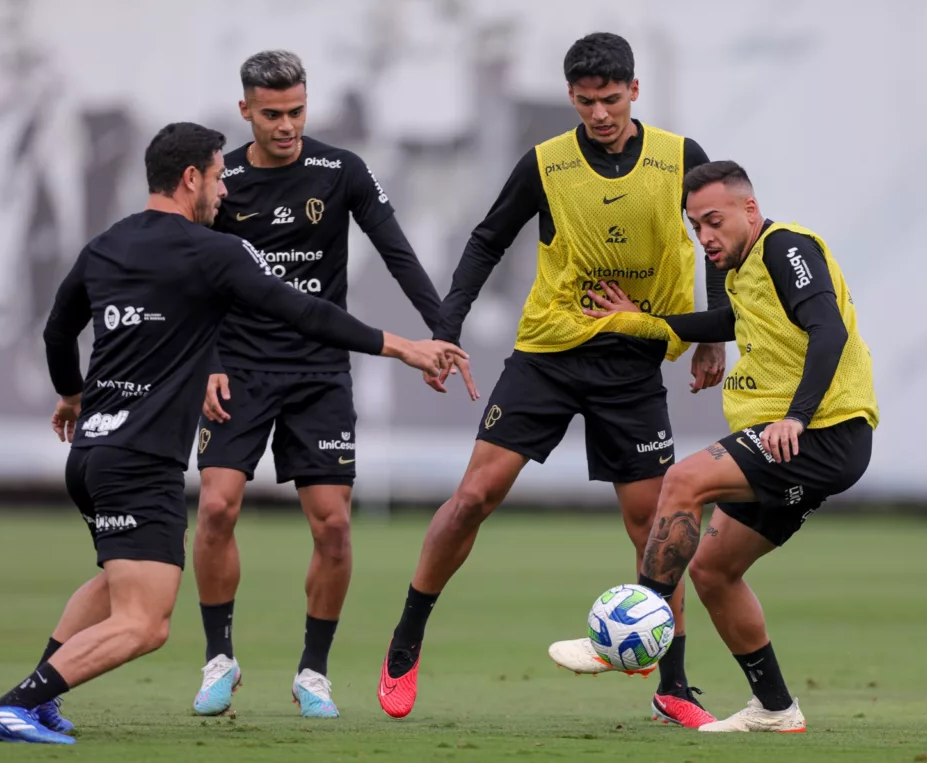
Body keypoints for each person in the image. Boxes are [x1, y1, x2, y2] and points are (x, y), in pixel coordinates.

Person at [0, 121, 463, 745]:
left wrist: (71, 394)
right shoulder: (213, 252)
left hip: (91, 454)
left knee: (115, 582)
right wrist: (401, 347)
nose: (226, 191)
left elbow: (55, 333)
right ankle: (16, 703)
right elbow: (303, 312)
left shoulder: (106, 245)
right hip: (140, 461)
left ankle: (35, 703)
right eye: (218, 178)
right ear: (191, 178)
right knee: (146, 623)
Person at [377, 32, 727, 727]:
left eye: (611, 98)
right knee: (474, 495)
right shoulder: (545, 162)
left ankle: (675, 684)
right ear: (571, 96)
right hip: (549, 353)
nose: (600, 113)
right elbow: (485, 240)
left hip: (632, 359)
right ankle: (406, 636)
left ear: (635, 91)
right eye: (587, 101)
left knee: (654, 526)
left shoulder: (681, 157)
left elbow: (716, 237)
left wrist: (712, 331)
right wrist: (446, 329)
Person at [189, 49, 473, 720]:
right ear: (245, 111)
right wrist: (205, 362)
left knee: (335, 527)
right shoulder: (221, 181)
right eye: (271, 115)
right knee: (217, 508)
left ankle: (313, 672)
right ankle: (218, 658)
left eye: (296, 111)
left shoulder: (340, 170)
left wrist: (443, 332)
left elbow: (398, 251)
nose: (286, 126)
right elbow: (190, 279)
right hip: (240, 365)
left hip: (319, 371)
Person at [583, 159, 879, 733]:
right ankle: (775, 708)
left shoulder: (785, 247)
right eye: (696, 226)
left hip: (822, 432)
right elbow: (724, 320)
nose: (705, 237)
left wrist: (797, 415)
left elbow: (829, 329)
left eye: (713, 221)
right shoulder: (746, 274)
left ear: (748, 209)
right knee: (713, 569)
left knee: (683, 480)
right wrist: (640, 321)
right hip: (794, 441)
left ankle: (634, 626)